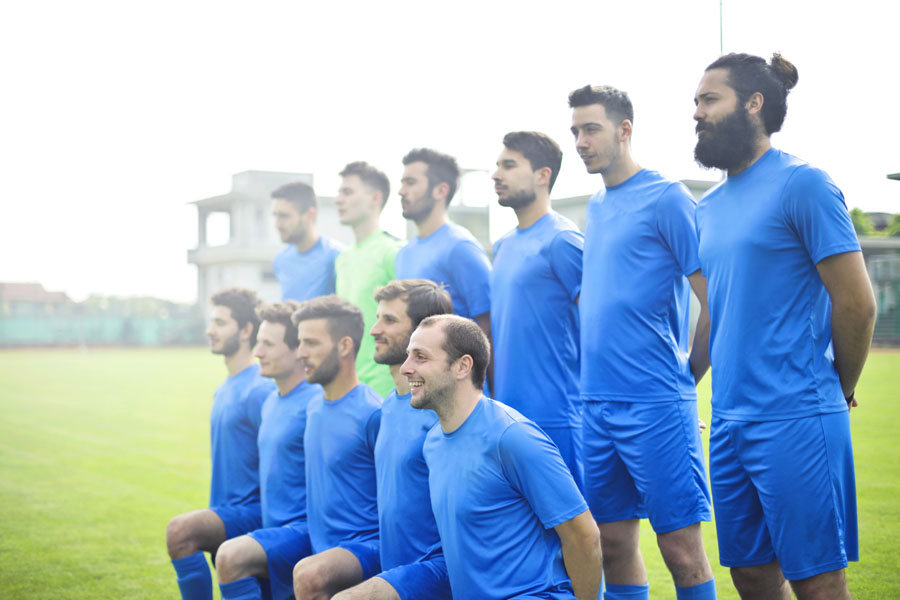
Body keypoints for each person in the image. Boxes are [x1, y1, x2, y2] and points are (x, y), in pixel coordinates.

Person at [692, 52, 876, 600]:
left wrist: (837, 389)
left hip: (795, 415)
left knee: (817, 582)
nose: (696, 113)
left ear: (754, 103)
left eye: (708, 99)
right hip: (727, 420)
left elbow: (857, 304)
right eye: (695, 102)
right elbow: (716, 312)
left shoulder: (805, 184)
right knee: (749, 574)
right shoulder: (709, 206)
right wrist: (687, 380)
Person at [569, 84, 716, 600]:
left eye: (591, 129)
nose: (581, 142)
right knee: (611, 545)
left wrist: (682, 383)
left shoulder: (668, 197)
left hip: (656, 404)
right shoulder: (597, 205)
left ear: (624, 129)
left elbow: (712, 302)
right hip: (597, 405)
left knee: (680, 551)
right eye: (575, 132)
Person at [404, 314, 602, 600]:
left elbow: (584, 537)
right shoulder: (432, 443)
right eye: (408, 355)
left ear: (462, 366)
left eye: (420, 357)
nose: (406, 368)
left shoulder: (513, 437)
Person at [331, 279, 454, 600]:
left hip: (437, 572)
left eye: (389, 320)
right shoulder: (386, 408)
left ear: (421, 334)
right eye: (377, 317)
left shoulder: (443, 415)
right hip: (394, 569)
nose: (373, 330)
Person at [166, 288, 275, 600]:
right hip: (226, 507)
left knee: (181, 532)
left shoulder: (259, 390)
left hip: (254, 512)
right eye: (210, 322)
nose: (209, 330)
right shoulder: (225, 389)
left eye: (219, 323)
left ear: (245, 330)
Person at [490, 131, 584, 488]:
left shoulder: (563, 240)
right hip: (509, 419)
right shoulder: (502, 247)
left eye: (509, 165)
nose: (497, 175)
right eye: (497, 165)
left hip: (560, 419)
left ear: (543, 175)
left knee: (584, 540)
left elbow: (600, 328)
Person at [213, 301, 323, 600]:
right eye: (258, 342)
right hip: (270, 526)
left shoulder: (315, 405)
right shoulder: (272, 400)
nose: (257, 352)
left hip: (302, 531)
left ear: (297, 349)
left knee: (230, 557)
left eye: (268, 345)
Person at [291, 296, 383, 600]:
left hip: (367, 546)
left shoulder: (373, 413)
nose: (300, 353)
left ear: (344, 346)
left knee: (310, 576)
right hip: (320, 544)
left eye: (311, 343)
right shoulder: (313, 407)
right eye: (299, 343)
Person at [395, 148, 493, 384]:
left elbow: (487, 330)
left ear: (441, 190)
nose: (401, 191)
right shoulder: (404, 254)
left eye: (410, 182)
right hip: (418, 389)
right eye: (402, 182)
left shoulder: (460, 248)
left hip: (456, 393)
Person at [334, 161, 403, 397]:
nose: (338, 199)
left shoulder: (393, 252)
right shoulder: (343, 259)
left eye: (348, 192)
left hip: (386, 387)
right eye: (339, 192)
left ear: (375, 198)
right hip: (349, 387)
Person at [271, 181, 344, 302]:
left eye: (284, 216)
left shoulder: (336, 256)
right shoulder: (280, 261)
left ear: (310, 215)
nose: (277, 224)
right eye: (275, 216)